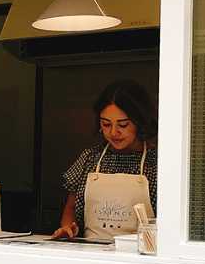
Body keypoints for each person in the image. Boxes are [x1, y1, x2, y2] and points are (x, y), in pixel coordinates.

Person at [53, 80, 157, 240]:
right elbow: (70, 208)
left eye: (123, 125)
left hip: (139, 252)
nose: (114, 132)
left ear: (140, 122)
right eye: (106, 124)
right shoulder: (89, 158)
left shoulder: (158, 163)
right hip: (92, 250)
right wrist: (67, 228)